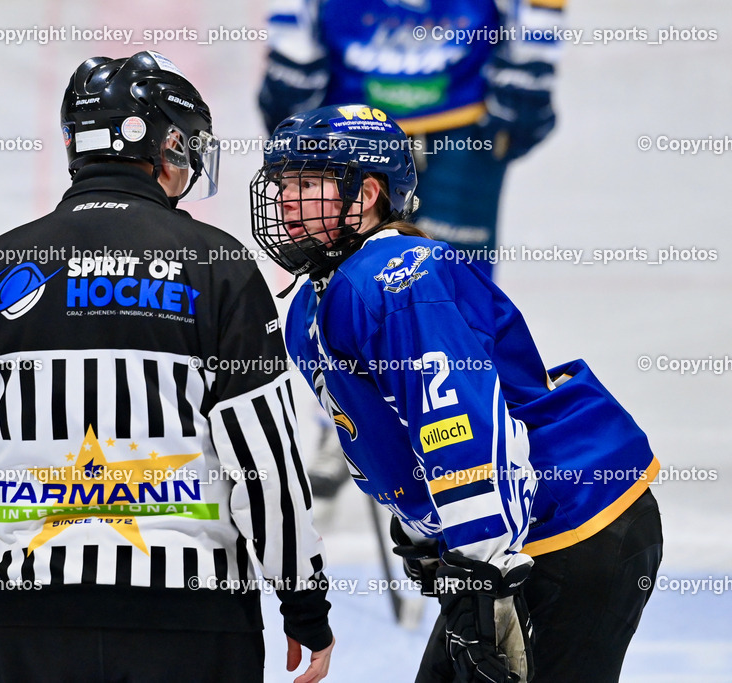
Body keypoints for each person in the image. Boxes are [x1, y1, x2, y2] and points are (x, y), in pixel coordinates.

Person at [0, 51, 334, 683]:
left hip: (26, 617)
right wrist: (303, 603)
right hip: (193, 620)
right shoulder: (219, 266)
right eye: (188, 146)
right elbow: (264, 460)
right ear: (166, 147)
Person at [250, 104, 662, 682]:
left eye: (310, 183)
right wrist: (426, 530)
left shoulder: (400, 274)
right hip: (516, 535)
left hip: (573, 522)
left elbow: (458, 420)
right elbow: (383, 430)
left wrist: (480, 566)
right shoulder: (313, 303)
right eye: (284, 183)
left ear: (367, 193)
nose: (288, 201)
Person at [258, 0, 564, 511]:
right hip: (346, 122)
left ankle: (475, 416)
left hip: (463, 123)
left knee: (447, 287)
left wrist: (525, 83)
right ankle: (348, 418)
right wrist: (294, 77)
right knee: (341, 284)